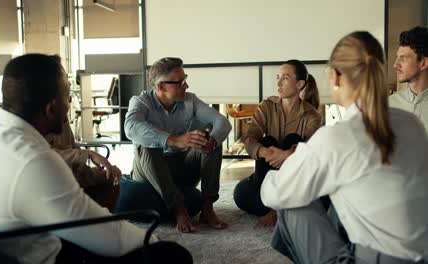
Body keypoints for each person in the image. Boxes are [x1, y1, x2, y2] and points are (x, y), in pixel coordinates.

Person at [0, 54, 192, 264]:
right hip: (35, 257)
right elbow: (106, 234)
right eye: (67, 95)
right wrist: (154, 241)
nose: (70, 102)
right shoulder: (34, 160)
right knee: (172, 256)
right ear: (51, 109)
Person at [261, 31, 428, 263]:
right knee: (338, 188)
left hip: (381, 258)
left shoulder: (336, 137)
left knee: (292, 201)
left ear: (336, 76)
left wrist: (287, 167)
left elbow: (274, 195)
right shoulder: (412, 123)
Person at [116, 57, 232, 233]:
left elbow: (221, 121)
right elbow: (130, 128)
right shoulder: (140, 102)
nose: (186, 86)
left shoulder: (190, 100)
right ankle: (178, 209)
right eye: (180, 82)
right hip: (149, 171)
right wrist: (173, 139)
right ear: (161, 87)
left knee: (211, 141)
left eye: (185, 79)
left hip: (181, 167)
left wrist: (211, 140)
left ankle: (207, 208)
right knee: (147, 143)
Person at [233, 59, 322, 227]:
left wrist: (288, 154)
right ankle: (284, 207)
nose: (279, 82)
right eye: (278, 77)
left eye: (285, 77)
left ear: (300, 84)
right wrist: (264, 151)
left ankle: (275, 208)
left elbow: (312, 148)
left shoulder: (312, 115)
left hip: (295, 182)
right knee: (241, 194)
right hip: (267, 178)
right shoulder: (266, 106)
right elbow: (250, 138)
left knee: (294, 141)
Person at [45, 55, 121, 210]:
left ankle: (102, 227)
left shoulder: (61, 116)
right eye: (64, 80)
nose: (68, 84)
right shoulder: (34, 126)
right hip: (53, 188)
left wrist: (97, 174)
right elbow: (45, 155)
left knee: (109, 180)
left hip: (72, 180)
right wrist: (89, 154)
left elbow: (73, 155)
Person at [391, 26, 428, 132]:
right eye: (397, 57)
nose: (395, 64)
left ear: (423, 63)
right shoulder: (388, 106)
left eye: (403, 58)